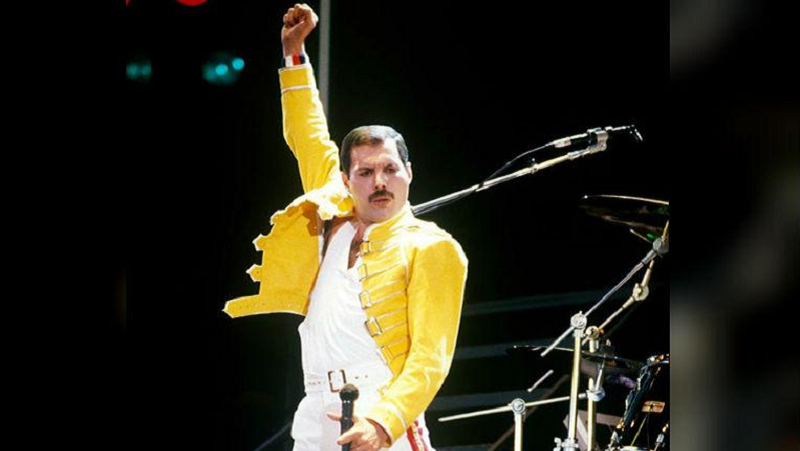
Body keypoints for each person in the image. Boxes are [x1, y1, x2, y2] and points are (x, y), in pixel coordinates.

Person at [223, 4, 468, 451]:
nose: (380, 182)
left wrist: (383, 422)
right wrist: (293, 54)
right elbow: (307, 136)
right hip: (315, 404)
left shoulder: (432, 246)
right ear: (345, 180)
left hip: (379, 402)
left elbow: (431, 357)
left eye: (390, 169)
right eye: (366, 172)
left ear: (409, 173)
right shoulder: (334, 214)